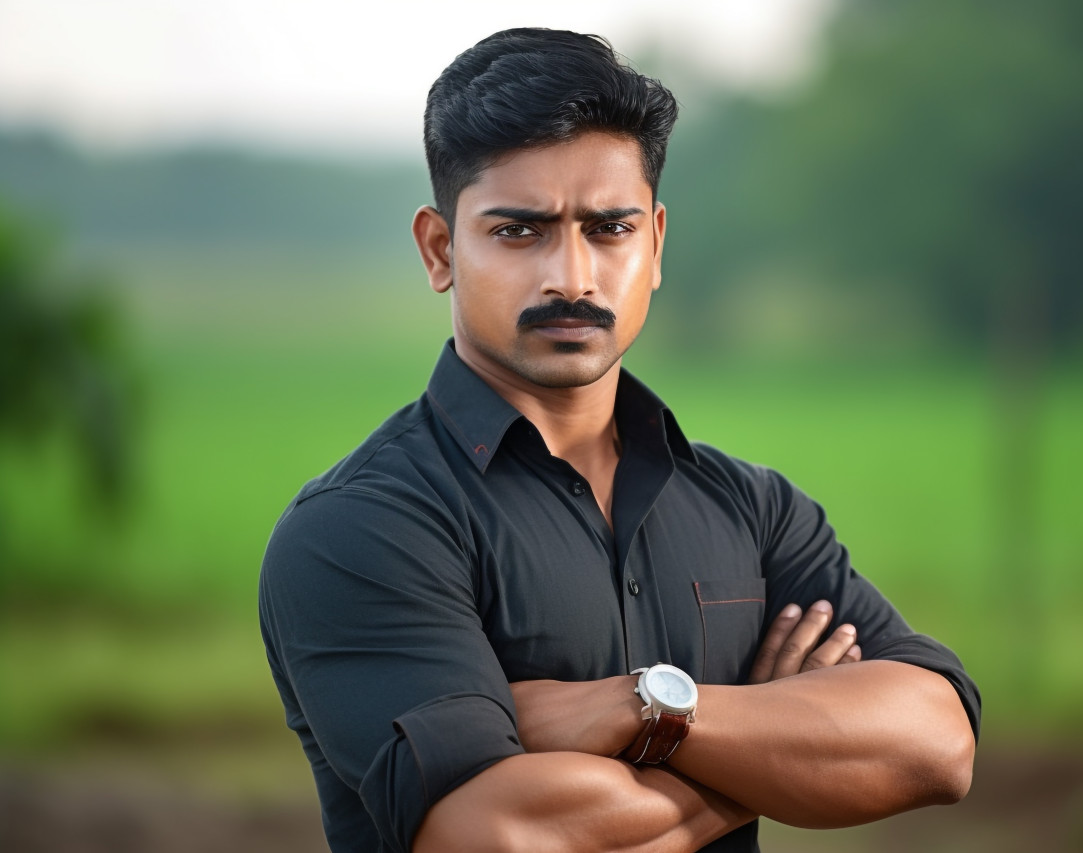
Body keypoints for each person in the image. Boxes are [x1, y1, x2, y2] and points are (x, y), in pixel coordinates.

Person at [260, 27, 980, 853]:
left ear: (656, 242)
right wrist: (763, 749)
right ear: (438, 248)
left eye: (609, 228)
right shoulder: (363, 528)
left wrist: (646, 706)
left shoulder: (752, 509)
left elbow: (938, 742)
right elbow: (500, 837)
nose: (572, 276)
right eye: (519, 231)